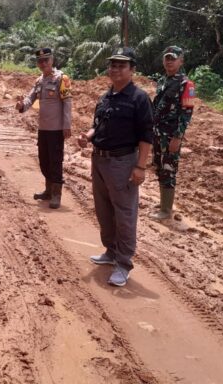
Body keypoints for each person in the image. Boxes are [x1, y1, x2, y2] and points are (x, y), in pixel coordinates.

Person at [77, 47, 153, 287]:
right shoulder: (105, 97)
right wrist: (87, 136)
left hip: (123, 162)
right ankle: (110, 251)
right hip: (99, 160)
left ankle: (123, 263)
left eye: (121, 65)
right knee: (103, 210)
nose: (115, 69)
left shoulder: (139, 98)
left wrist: (140, 167)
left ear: (132, 70)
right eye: (112, 65)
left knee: (124, 213)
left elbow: (146, 136)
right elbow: (97, 125)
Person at [16, 47, 73, 209]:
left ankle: (56, 194)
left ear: (52, 60)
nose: (43, 63)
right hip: (43, 129)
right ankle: (48, 190)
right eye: (40, 61)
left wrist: (66, 125)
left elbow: (68, 103)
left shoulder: (62, 79)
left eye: (46, 60)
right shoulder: (39, 81)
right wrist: (22, 105)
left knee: (55, 161)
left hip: (56, 129)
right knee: (44, 161)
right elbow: (30, 98)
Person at [149, 45, 195, 220]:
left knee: (169, 169)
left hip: (171, 136)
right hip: (158, 134)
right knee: (160, 167)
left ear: (181, 61)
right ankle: (164, 203)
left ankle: (166, 211)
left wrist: (178, 137)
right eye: (167, 58)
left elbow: (187, 113)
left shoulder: (186, 84)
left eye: (173, 58)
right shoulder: (162, 81)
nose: (169, 61)